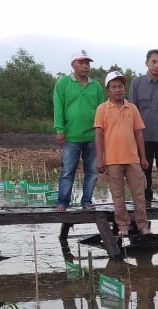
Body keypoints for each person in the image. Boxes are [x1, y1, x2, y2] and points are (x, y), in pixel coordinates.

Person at [94, 70, 151, 237]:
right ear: (108, 90)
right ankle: (123, 225)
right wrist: (100, 159)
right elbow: (98, 135)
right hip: (112, 160)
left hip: (132, 158)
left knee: (139, 195)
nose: (118, 89)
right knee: (118, 196)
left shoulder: (132, 108)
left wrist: (143, 157)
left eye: (120, 86)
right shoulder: (102, 109)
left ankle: (142, 225)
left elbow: (139, 133)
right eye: (114, 87)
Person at [53, 50, 105, 211]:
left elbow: (102, 110)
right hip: (71, 136)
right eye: (81, 63)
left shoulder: (95, 86)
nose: (85, 66)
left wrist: (102, 133)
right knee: (68, 170)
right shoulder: (62, 83)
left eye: (87, 63)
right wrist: (60, 130)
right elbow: (58, 107)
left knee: (92, 171)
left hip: (92, 136)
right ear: (73, 65)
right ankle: (63, 202)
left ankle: (87, 201)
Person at [128, 49, 158, 208]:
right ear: (146, 63)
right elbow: (132, 110)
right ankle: (145, 198)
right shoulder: (137, 83)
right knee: (144, 168)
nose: (157, 65)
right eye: (153, 62)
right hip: (143, 136)